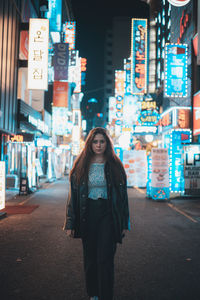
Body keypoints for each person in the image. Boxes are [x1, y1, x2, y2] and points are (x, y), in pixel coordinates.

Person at [63, 127, 130, 300]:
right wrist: (70, 222)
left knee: (105, 258)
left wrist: (124, 223)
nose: (99, 145)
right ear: (90, 144)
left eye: (102, 141)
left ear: (107, 143)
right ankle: (93, 294)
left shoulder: (115, 165)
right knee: (90, 257)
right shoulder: (81, 165)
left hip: (108, 214)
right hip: (88, 214)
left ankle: (106, 295)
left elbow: (123, 198)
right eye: (95, 141)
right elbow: (73, 196)